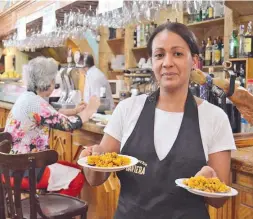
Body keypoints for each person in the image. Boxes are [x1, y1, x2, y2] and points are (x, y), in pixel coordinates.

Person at [80, 22, 236, 218]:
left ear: (195, 62)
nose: (167, 62)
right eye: (159, 55)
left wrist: (209, 181)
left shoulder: (215, 118)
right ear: (152, 61)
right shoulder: (127, 109)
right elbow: (96, 179)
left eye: (177, 54)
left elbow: (220, 200)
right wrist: (91, 160)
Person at [4, 56, 100, 197]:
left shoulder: (27, 98)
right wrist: (90, 110)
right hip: (26, 170)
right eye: (53, 79)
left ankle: (42, 208)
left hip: (12, 167)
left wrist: (75, 111)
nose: (55, 83)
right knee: (77, 176)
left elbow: (50, 114)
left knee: (73, 167)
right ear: (47, 81)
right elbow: (69, 125)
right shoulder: (35, 103)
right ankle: (51, 213)